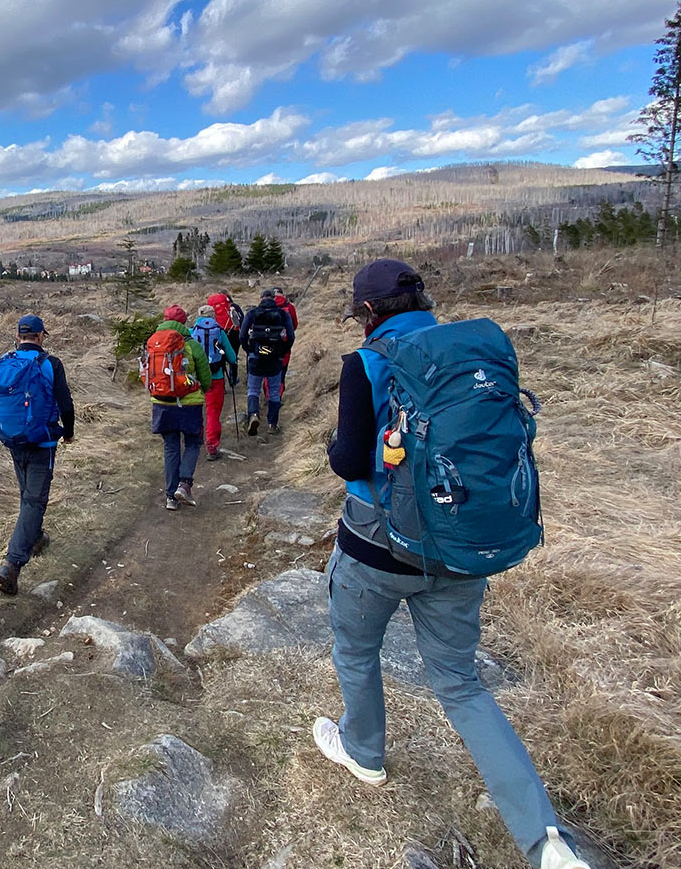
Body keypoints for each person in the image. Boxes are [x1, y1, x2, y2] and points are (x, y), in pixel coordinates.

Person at [315, 259, 591, 869]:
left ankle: (363, 751)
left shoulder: (366, 363)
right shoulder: (473, 350)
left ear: (366, 312)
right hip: (462, 547)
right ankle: (546, 843)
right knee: (462, 685)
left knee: (357, 650)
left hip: (375, 547)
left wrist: (339, 445)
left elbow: (348, 462)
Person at [0, 314, 75, 596]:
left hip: (12, 440)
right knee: (34, 500)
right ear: (41, 336)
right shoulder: (50, 364)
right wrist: (68, 432)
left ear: (19, 336)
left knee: (27, 497)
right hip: (42, 443)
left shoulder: (2, 365)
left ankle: (36, 539)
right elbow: (66, 405)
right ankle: (12, 564)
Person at [146, 305, 211, 510]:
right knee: (193, 442)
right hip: (189, 403)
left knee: (170, 446)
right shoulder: (191, 344)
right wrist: (203, 389)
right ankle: (184, 484)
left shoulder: (154, 342)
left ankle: (170, 497)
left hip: (161, 402)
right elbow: (204, 374)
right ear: (184, 322)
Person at [238, 290, 293, 435]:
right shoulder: (282, 314)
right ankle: (272, 425)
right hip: (275, 358)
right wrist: (282, 351)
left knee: (253, 389)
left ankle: (254, 415)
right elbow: (291, 336)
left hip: (256, 357)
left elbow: (242, 335)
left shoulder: (252, 313)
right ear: (273, 299)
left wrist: (249, 349)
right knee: (274, 391)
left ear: (261, 298)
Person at [189, 304, 238, 461]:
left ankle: (195, 439)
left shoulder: (192, 332)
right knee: (213, 412)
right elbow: (231, 356)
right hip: (215, 377)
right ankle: (211, 446)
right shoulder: (220, 331)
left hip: (195, 378)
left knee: (195, 408)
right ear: (213, 316)